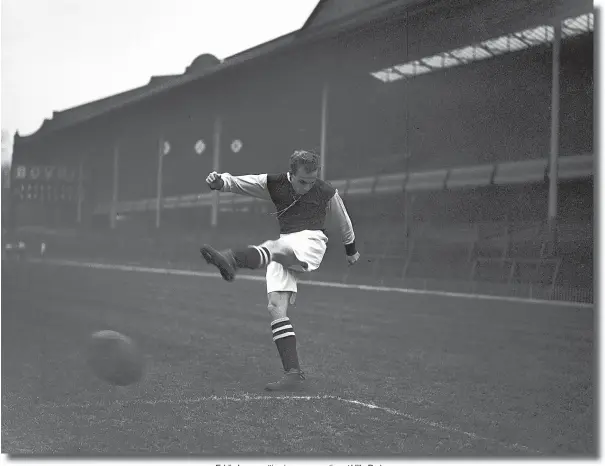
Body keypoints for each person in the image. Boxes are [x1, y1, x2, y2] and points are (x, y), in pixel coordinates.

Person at [200, 149, 360, 392]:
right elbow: (243, 183)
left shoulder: (326, 191)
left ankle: (231, 259)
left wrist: (352, 250)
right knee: (275, 307)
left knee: (275, 248)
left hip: (310, 242)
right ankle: (293, 373)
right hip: (286, 242)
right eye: (302, 181)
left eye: (312, 180)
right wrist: (220, 181)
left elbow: (344, 221)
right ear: (291, 174)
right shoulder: (274, 183)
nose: (308, 186)